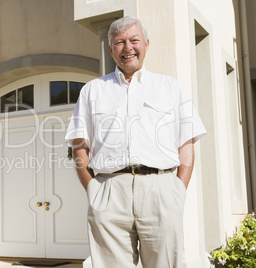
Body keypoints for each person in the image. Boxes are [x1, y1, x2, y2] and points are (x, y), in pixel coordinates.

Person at [65, 16, 206, 268]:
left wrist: (178, 191)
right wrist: (93, 190)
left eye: (134, 40)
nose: (127, 47)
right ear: (110, 49)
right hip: (109, 190)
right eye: (119, 42)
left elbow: (186, 144)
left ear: (146, 44)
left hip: (161, 189)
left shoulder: (170, 88)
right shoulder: (92, 90)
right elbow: (79, 146)